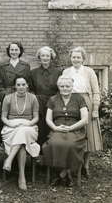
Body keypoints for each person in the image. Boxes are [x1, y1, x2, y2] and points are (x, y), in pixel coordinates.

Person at [62, 46, 102, 177]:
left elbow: (96, 91)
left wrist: (95, 109)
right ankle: (74, 164)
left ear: (83, 58)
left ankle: (86, 165)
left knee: (88, 134)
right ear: (71, 58)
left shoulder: (90, 72)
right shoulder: (66, 72)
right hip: (71, 101)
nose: (76, 59)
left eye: (78, 57)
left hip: (86, 101)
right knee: (73, 132)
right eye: (73, 57)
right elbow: (62, 90)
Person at [42, 76, 88, 187]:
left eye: (67, 86)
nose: (65, 88)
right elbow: (48, 119)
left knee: (71, 144)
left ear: (72, 87)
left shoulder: (79, 99)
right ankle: (63, 172)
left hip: (75, 130)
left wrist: (71, 128)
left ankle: (63, 173)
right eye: (62, 86)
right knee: (54, 143)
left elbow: (85, 119)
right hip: (58, 129)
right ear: (58, 87)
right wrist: (55, 128)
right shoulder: (53, 99)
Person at [1, 76, 40, 190]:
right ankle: (22, 177)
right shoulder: (8, 98)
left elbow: (36, 117)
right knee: (22, 144)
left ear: (27, 85)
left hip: (29, 127)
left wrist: (28, 124)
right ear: (15, 86)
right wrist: (11, 124)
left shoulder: (33, 98)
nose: (21, 87)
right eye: (18, 85)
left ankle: (9, 160)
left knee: (23, 132)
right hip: (11, 128)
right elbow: (3, 117)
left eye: (23, 84)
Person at [29, 46, 62, 145]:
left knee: (51, 126)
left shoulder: (58, 72)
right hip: (38, 103)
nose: (45, 58)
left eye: (47, 55)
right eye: (43, 55)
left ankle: (51, 151)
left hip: (54, 102)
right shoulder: (33, 73)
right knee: (40, 127)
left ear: (51, 57)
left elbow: (60, 89)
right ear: (39, 57)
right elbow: (31, 89)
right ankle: (38, 154)